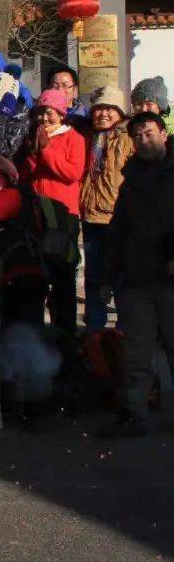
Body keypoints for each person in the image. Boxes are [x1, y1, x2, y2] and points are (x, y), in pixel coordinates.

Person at [98, 112, 174, 438]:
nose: (144, 141)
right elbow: (118, 232)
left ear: (164, 133)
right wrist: (107, 277)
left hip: (170, 278)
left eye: (149, 134)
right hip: (137, 279)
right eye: (138, 137)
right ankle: (134, 415)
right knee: (137, 352)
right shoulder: (131, 179)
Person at [0, 154, 51, 423]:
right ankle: (4, 403)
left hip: (23, 279)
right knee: (4, 342)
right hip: (9, 278)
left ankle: (33, 405)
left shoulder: (13, 195)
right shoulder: (11, 196)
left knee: (24, 342)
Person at [19, 88, 86, 344]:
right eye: (40, 113)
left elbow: (71, 173)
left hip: (62, 215)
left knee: (62, 274)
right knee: (37, 270)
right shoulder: (36, 136)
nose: (44, 118)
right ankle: (37, 333)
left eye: (49, 113)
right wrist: (35, 152)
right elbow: (30, 173)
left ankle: (65, 332)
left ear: (60, 113)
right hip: (38, 212)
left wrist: (46, 151)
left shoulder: (74, 139)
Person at [79, 86, 133, 333]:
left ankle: (125, 331)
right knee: (93, 277)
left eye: (110, 108)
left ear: (120, 112)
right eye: (99, 108)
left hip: (118, 218)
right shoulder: (88, 136)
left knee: (121, 277)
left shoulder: (128, 138)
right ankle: (94, 333)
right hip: (91, 216)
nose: (103, 113)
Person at [0, 25, 88, 121]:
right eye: (55, 85)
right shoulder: (36, 110)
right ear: (47, 88)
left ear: (75, 91)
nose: (59, 90)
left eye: (65, 86)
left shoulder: (85, 119)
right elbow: (9, 80)